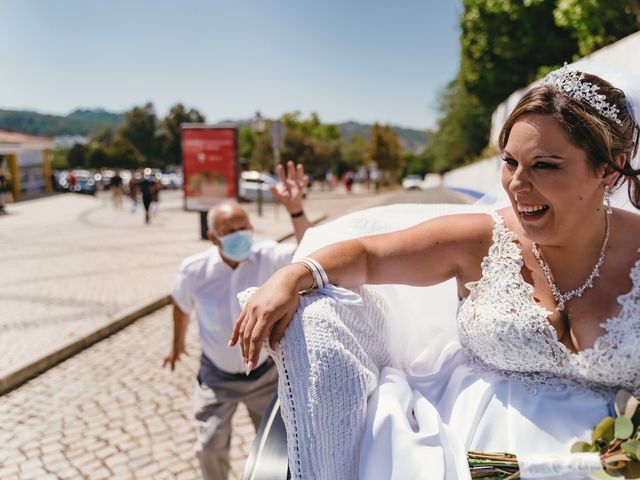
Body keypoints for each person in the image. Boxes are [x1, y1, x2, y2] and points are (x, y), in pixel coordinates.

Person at [230, 65, 640, 479]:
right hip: (474, 453)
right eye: (510, 162)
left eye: (545, 165)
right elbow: (369, 256)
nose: (517, 184)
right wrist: (292, 276)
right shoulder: (480, 237)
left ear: (609, 168)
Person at [164, 161, 310, 480]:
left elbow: (309, 252)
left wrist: (295, 210)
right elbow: (180, 305)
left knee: (281, 448)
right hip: (217, 378)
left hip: (265, 376)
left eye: (244, 227)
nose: (239, 235)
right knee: (209, 446)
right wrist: (176, 347)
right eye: (230, 231)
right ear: (213, 237)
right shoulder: (194, 271)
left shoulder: (268, 257)